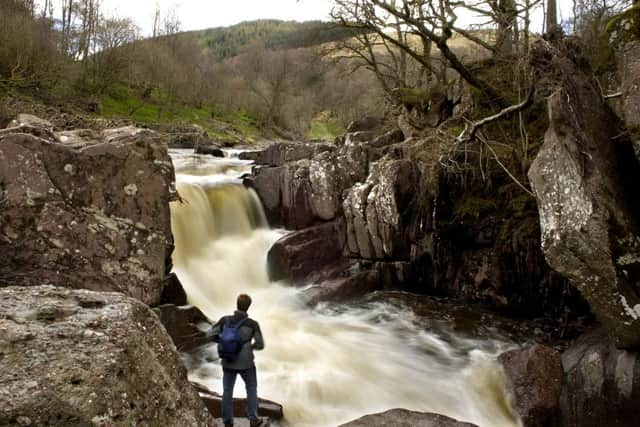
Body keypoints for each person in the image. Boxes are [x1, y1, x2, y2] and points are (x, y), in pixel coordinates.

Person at [208, 294, 265, 427]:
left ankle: (227, 421)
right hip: (246, 363)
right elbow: (260, 344)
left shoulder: (225, 320)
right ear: (248, 306)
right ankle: (253, 419)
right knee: (251, 388)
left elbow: (209, 334)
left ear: (237, 304)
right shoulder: (252, 324)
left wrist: (221, 340)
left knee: (227, 390)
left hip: (228, 361)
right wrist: (251, 347)